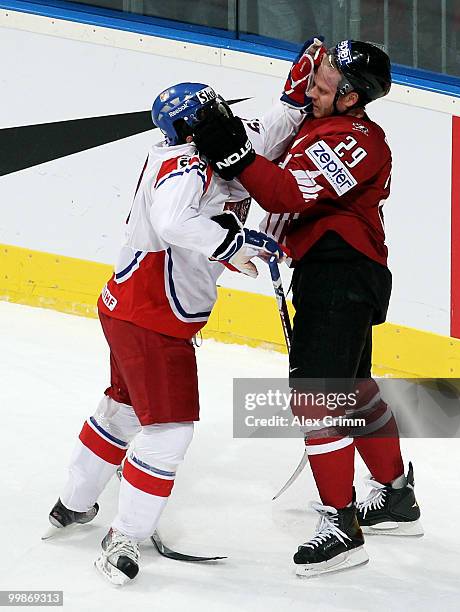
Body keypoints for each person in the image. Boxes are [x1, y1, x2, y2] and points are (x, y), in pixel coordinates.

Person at [45, 82, 304, 585]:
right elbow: (170, 220)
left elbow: (260, 135)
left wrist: (292, 102)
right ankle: (125, 536)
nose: (224, 119)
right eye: (212, 115)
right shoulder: (185, 164)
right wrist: (235, 242)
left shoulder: (211, 146)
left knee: (121, 408)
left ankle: (72, 504)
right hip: (152, 318)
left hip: (128, 308)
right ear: (190, 128)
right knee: (169, 431)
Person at [192, 39, 423, 576]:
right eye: (314, 77)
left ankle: (341, 527)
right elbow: (273, 174)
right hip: (334, 271)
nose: (312, 88)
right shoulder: (318, 121)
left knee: (318, 400)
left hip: (341, 271)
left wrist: (236, 155)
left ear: (350, 97)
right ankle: (395, 496)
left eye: (323, 85)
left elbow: (285, 193)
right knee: (355, 391)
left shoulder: (359, 139)